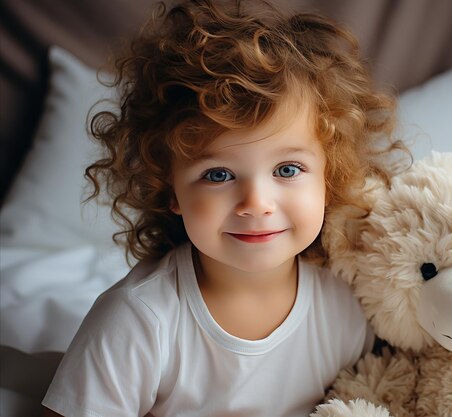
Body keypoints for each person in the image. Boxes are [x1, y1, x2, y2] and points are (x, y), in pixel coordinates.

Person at [42, 0, 404, 415]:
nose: (256, 204)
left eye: (287, 168)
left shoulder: (346, 305)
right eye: (218, 175)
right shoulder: (140, 319)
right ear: (170, 189)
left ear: (330, 179)